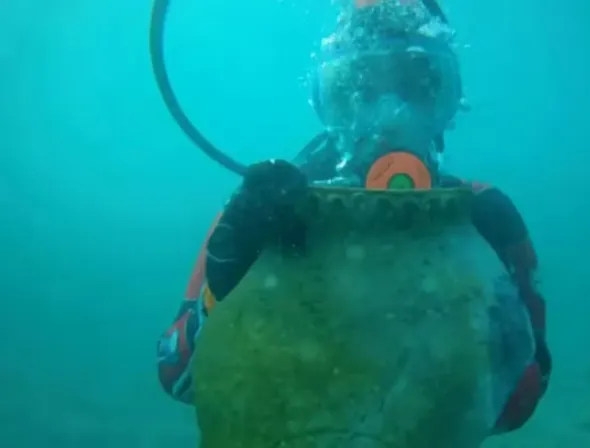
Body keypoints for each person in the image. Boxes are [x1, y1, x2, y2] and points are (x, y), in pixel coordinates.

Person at [156, 0, 552, 435]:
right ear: (331, 106)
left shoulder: (485, 219)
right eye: (362, 94)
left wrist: (485, 330)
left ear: (448, 101)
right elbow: (178, 376)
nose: (390, 118)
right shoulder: (261, 214)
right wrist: (222, 289)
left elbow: (522, 399)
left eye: (416, 88)